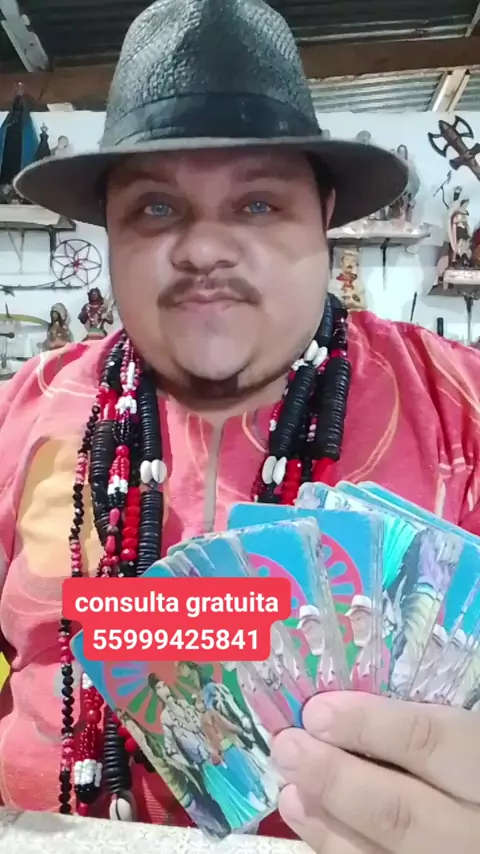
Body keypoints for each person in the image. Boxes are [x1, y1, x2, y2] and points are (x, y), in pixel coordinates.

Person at [0, 0, 479, 849]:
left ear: (325, 214)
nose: (203, 249)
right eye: (155, 209)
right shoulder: (25, 412)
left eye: (258, 205)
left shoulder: (458, 410)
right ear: (109, 232)